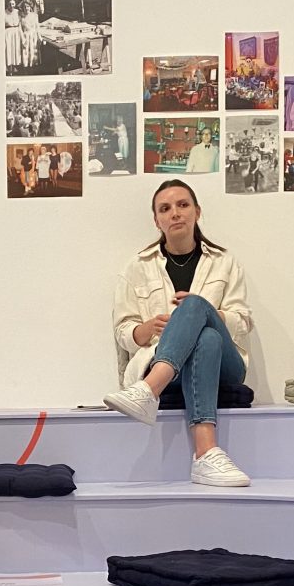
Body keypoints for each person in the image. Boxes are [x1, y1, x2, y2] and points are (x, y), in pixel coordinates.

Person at [104, 179, 254, 487]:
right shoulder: (137, 267)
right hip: (162, 359)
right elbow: (122, 332)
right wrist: (145, 329)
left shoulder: (224, 263)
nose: (175, 213)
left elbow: (242, 321)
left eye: (183, 205)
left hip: (226, 367)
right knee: (206, 339)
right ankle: (206, 452)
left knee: (200, 311)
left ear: (197, 212)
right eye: (165, 208)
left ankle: (147, 391)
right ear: (156, 220)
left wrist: (206, 314)